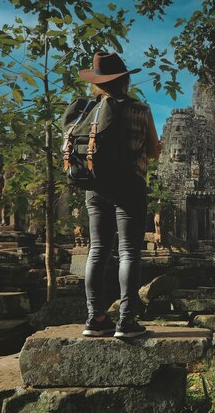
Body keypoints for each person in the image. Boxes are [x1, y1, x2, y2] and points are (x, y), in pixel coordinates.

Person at [78, 52, 160, 338]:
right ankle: (126, 321)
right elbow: (154, 151)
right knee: (128, 252)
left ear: (97, 84)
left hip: (95, 187)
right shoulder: (140, 109)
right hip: (130, 186)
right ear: (125, 80)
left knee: (97, 250)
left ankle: (95, 318)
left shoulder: (87, 109)